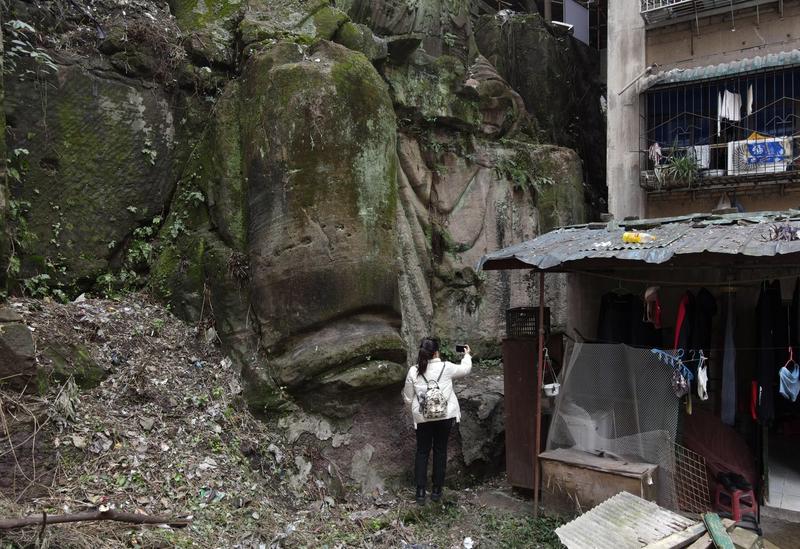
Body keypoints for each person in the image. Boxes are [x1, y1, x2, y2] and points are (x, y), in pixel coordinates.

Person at [402, 338, 472, 505]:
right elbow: (465, 369)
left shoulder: (414, 371)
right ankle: (436, 491)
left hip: (423, 418)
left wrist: (414, 412)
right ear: (436, 352)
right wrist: (467, 355)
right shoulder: (446, 367)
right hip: (445, 417)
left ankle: (420, 493)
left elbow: (407, 398)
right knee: (440, 451)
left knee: (422, 452)